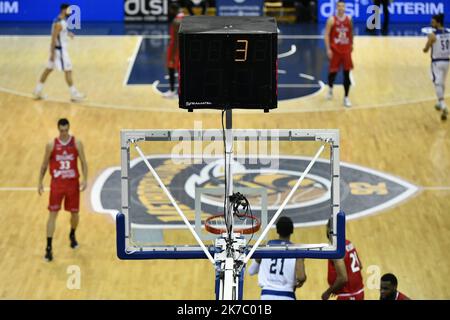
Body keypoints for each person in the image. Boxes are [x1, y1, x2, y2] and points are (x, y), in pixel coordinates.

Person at [38, 118, 88, 262]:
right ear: (58, 130)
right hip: (57, 184)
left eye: (66, 130)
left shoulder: (77, 143)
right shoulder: (51, 145)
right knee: (52, 215)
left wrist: (85, 179)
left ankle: (72, 234)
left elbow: (84, 162)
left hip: (72, 184)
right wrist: (39, 182)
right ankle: (48, 248)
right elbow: (44, 164)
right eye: (61, 130)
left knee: (75, 214)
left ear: (69, 129)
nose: (64, 133)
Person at [33, 3, 85, 102]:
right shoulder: (58, 23)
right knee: (68, 70)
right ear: (63, 10)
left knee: (48, 69)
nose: (70, 12)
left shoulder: (60, 21)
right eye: (68, 10)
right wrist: (52, 53)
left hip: (58, 50)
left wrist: (69, 34)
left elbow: (62, 31)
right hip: (60, 52)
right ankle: (74, 94)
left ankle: (37, 90)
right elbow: (53, 38)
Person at [248, 217, 307, 300]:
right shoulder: (296, 250)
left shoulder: (266, 246)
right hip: (287, 295)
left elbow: (251, 271)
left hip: (266, 295)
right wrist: (300, 282)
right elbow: (301, 277)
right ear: (292, 231)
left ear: (277, 230)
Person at [322, 219, 364, 300]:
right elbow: (360, 266)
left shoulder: (336, 248)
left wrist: (328, 292)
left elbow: (343, 278)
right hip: (359, 292)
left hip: (348, 295)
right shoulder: (348, 243)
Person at [324, 0, 354, 107]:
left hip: (346, 51)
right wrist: (328, 49)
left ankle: (346, 97)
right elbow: (326, 35)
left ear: (345, 7)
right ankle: (330, 89)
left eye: (343, 6)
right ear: (337, 7)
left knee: (347, 75)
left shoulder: (349, 19)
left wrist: (351, 45)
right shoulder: (331, 20)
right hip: (335, 50)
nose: (341, 8)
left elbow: (351, 32)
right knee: (333, 73)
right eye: (339, 6)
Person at [423, 14, 449, 121]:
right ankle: (439, 103)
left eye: (433, 22)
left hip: (436, 62)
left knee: (437, 83)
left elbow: (426, 49)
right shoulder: (449, 32)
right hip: (447, 61)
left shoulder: (432, 35)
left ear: (438, 23)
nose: (431, 24)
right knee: (441, 82)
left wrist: (425, 47)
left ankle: (443, 104)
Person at [163, 2, 185, 99]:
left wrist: (172, 54)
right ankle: (182, 92)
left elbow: (176, 40)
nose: (169, 12)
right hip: (183, 47)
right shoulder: (185, 17)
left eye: (169, 10)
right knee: (182, 71)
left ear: (173, 10)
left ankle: (172, 91)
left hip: (175, 49)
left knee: (172, 68)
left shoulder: (176, 21)